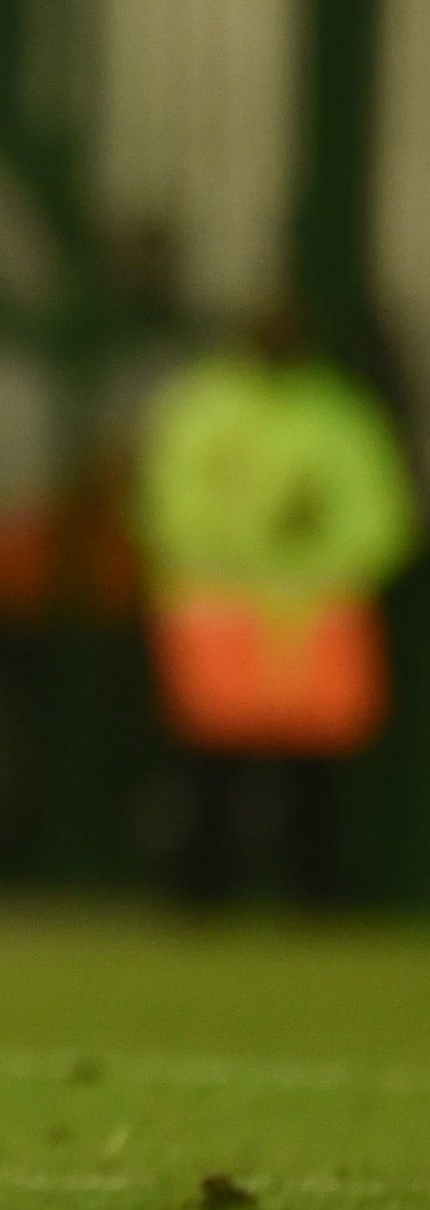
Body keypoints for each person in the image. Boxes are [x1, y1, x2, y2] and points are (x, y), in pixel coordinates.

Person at [136, 299, 418, 904]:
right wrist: (260, 537)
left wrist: (318, 549)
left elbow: (382, 514)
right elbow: (167, 504)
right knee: (211, 767)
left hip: (313, 617)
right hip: (220, 618)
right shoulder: (200, 409)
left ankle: (316, 897)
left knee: (312, 772)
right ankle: (200, 897)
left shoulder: (339, 414)